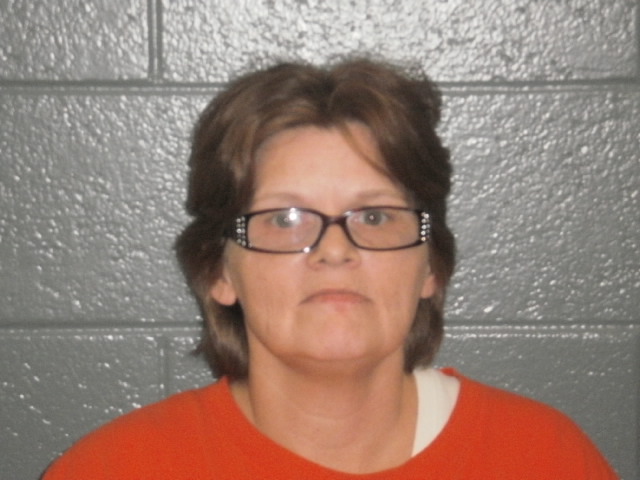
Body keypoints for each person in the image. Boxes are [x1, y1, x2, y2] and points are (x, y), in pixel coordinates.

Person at [43, 59, 618, 479]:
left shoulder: (547, 459)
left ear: (430, 267)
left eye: (375, 216)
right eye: (285, 219)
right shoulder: (113, 468)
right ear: (219, 271)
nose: (335, 251)